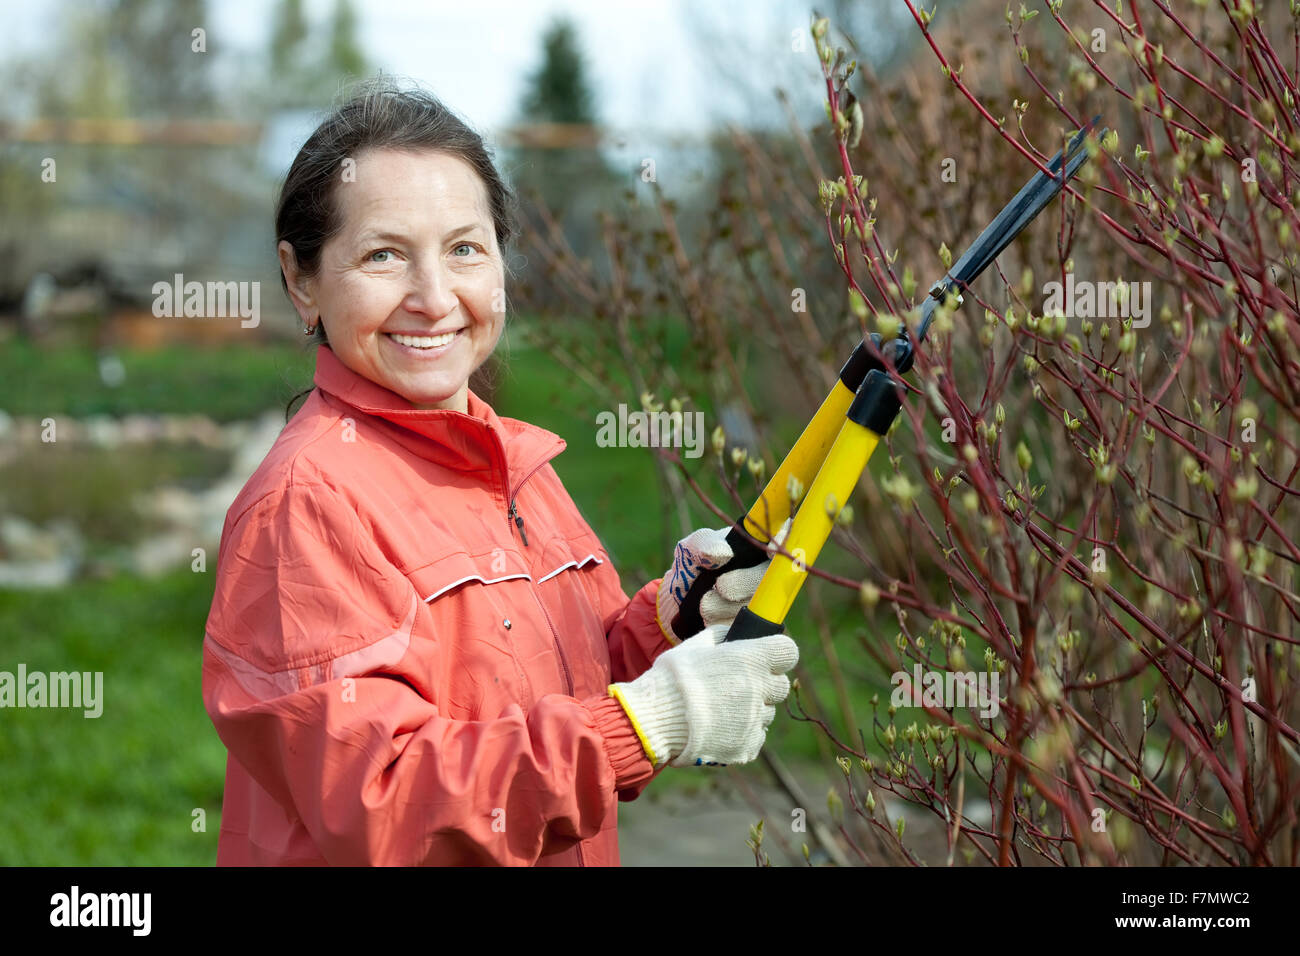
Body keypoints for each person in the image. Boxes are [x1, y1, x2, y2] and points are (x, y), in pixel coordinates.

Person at [201, 82, 799, 866]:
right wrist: (650, 722)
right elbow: (383, 801)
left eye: (464, 249)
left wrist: (669, 624)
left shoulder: (512, 464)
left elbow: (558, 692)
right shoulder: (306, 504)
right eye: (383, 255)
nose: (433, 297)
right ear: (301, 278)